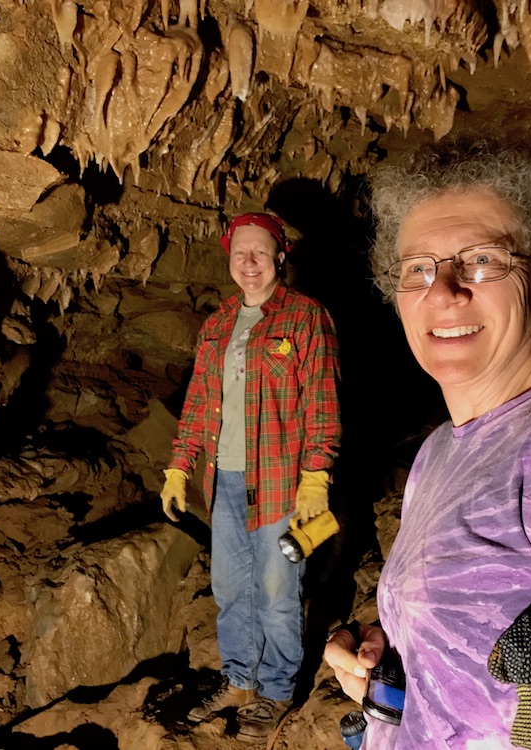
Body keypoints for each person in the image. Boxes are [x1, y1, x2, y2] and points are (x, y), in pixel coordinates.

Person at [324, 136, 531, 749]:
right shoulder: (442, 450)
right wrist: (382, 655)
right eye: (418, 268)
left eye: (483, 261)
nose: (443, 291)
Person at [161, 212, 341, 741]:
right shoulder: (216, 325)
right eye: (241, 252)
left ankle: (277, 689)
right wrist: (178, 465)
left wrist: (317, 476)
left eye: (260, 252)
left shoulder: (307, 317)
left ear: (280, 255)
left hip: (284, 482)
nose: (250, 262)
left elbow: (324, 404)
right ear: (229, 257)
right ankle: (239, 678)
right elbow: (197, 403)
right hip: (226, 483)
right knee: (231, 587)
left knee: (277, 589)